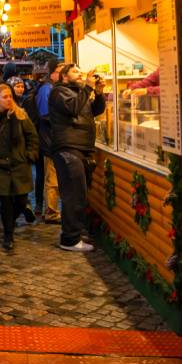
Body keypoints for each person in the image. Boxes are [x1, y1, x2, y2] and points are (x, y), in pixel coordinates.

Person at [49, 64, 106, 252]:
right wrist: (88, 88)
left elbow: (94, 111)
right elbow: (73, 109)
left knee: (78, 193)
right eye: (75, 71)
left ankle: (72, 233)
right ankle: (70, 240)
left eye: (81, 72)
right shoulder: (59, 92)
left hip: (80, 147)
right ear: (64, 77)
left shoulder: (78, 92)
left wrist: (98, 92)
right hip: (68, 148)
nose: (80, 74)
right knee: (74, 194)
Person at [0, 84, 39, 250]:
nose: (9, 100)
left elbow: (32, 137)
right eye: (4, 97)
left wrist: (30, 155)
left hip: (20, 165)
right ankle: (8, 235)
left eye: (10, 96)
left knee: (21, 201)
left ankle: (11, 222)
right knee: (5, 202)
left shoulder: (20, 116)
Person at [36, 61, 65, 223]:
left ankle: (53, 210)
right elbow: (44, 114)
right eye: (60, 71)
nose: (62, 74)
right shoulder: (47, 88)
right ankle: (51, 212)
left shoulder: (54, 88)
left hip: (56, 139)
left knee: (55, 178)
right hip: (50, 140)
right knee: (52, 179)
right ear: (53, 73)